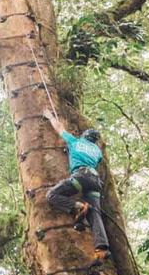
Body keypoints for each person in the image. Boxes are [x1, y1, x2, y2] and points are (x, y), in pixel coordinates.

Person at [42, 109, 110, 261]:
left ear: (85, 136)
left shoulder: (75, 141)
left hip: (81, 176)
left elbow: (59, 128)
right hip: (95, 181)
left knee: (52, 195)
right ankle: (102, 248)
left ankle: (77, 207)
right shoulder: (98, 152)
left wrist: (50, 116)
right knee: (95, 213)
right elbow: (91, 160)